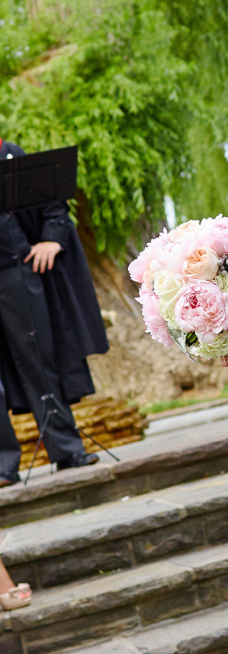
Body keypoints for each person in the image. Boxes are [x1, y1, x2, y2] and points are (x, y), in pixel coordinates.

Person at [0, 138, 108, 485]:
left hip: (16, 274)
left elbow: (52, 204)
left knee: (38, 363)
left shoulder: (9, 154)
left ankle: (66, 449)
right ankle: (2, 466)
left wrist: (52, 238)